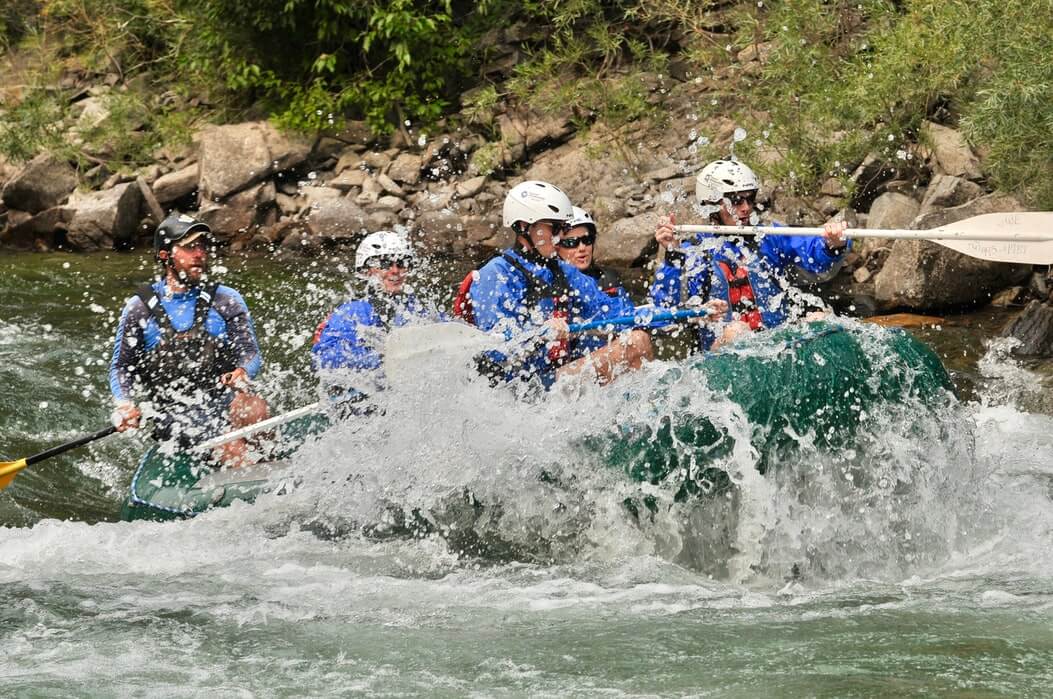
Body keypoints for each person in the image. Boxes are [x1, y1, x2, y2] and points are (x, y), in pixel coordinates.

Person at [109, 212, 269, 464]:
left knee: (255, 408)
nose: (199, 253)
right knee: (232, 444)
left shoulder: (225, 299)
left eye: (202, 246)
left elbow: (250, 353)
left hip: (220, 401)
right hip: (173, 415)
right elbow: (121, 367)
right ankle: (249, 474)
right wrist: (125, 404)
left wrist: (243, 372)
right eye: (189, 247)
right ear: (165, 255)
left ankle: (271, 465)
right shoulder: (139, 308)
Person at [464, 180, 654, 389]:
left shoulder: (561, 271)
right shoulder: (495, 274)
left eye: (563, 228)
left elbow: (611, 312)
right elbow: (496, 348)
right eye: (554, 228)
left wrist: (658, 316)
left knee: (637, 340)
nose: (560, 237)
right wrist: (539, 333)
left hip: (550, 378)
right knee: (636, 343)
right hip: (515, 387)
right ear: (522, 227)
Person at [650, 158, 849, 350]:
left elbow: (812, 253)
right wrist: (673, 255)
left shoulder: (768, 236)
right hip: (721, 351)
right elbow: (667, 306)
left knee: (819, 319)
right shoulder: (695, 250)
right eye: (736, 200)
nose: (746, 208)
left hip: (774, 343)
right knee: (737, 331)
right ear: (712, 204)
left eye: (750, 199)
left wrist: (833, 243)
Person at [311, 231, 437, 394]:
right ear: (367, 270)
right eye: (385, 264)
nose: (394, 271)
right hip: (360, 402)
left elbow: (447, 329)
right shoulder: (351, 311)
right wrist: (381, 358)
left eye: (401, 263)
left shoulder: (415, 308)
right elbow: (323, 359)